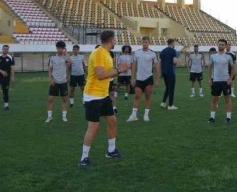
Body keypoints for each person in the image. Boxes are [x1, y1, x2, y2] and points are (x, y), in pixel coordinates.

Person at [78, 30, 132, 167]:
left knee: (112, 121)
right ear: (111, 40)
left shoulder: (107, 54)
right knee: (94, 127)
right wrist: (119, 70)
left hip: (103, 95)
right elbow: (100, 75)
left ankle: (111, 151)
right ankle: (84, 158)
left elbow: (108, 74)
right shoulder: (98, 53)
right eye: (114, 39)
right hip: (93, 96)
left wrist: (118, 71)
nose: (115, 42)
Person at [127, 36, 160, 122]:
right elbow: (134, 66)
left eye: (146, 42)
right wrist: (133, 78)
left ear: (149, 43)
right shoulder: (137, 53)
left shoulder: (153, 54)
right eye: (143, 42)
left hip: (148, 78)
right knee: (137, 96)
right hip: (139, 78)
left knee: (148, 96)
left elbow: (157, 67)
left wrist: (157, 80)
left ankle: (146, 114)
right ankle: (134, 115)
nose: (144, 44)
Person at [208, 39, 235, 123]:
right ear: (217, 45)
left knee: (227, 99)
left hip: (225, 81)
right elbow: (209, 68)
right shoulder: (213, 56)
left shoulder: (229, 57)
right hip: (216, 81)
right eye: (219, 44)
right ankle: (212, 117)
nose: (220, 46)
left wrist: (230, 78)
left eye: (222, 44)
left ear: (225, 46)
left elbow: (233, 68)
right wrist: (209, 79)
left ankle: (228, 117)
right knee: (214, 99)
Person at [46, 41, 72, 123]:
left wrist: (66, 53)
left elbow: (71, 63)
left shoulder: (65, 57)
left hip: (63, 82)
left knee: (64, 100)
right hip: (54, 82)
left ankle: (64, 117)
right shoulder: (52, 58)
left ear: (64, 49)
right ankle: (49, 117)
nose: (60, 50)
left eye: (62, 48)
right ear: (56, 48)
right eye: (59, 48)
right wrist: (51, 79)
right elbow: (50, 69)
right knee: (50, 99)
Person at [159, 38, 179, 110]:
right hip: (171, 72)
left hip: (164, 72)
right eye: (174, 43)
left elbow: (160, 62)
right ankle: (170, 105)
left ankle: (163, 102)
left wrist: (161, 72)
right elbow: (174, 62)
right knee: (171, 89)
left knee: (167, 87)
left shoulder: (163, 51)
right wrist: (176, 62)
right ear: (172, 43)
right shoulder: (173, 51)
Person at [0, 44, 15, 110]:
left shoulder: (10, 57)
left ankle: (6, 106)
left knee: (5, 91)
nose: (5, 50)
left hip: (6, 77)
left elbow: (12, 68)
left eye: (7, 49)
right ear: (2, 49)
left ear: (8, 50)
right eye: (4, 49)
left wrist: (12, 77)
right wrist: (1, 71)